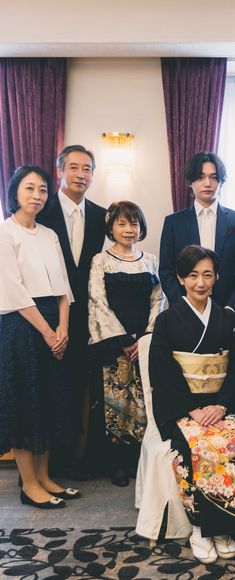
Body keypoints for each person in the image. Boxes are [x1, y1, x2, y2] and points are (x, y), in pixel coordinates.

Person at [149, 245, 235, 564]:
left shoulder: (227, 318)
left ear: (217, 278)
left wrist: (222, 406)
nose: (200, 282)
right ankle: (200, 528)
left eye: (207, 275)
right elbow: (162, 370)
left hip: (220, 406)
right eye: (193, 275)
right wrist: (192, 410)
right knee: (199, 447)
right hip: (184, 409)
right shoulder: (167, 320)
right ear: (181, 278)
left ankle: (222, 528)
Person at [0, 166, 80, 508]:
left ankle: (46, 477)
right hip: (21, 325)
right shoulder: (5, 232)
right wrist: (48, 333)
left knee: (49, 400)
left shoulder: (49, 235)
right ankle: (29, 484)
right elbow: (13, 291)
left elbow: (64, 288)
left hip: (54, 323)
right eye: (29, 188)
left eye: (43, 189)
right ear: (15, 192)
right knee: (26, 403)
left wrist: (63, 329)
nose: (37, 195)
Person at [37, 144, 107, 480]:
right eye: (74, 167)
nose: (81, 174)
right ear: (60, 171)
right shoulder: (41, 209)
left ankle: (70, 459)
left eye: (87, 169)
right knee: (47, 387)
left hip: (85, 318)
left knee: (78, 386)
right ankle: (40, 464)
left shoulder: (101, 215)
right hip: (47, 314)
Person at [88, 201, 164, 487]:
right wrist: (122, 340)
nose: (129, 229)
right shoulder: (101, 260)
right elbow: (97, 301)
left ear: (141, 227)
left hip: (144, 342)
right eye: (122, 223)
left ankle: (137, 459)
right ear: (111, 227)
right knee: (116, 402)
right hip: (114, 344)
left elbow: (159, 299)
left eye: (134, 223)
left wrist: (145, 337)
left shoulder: (150, 260)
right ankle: (116, 461)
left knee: (142, 401)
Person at [159, 152, 235, 320]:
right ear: (190, 182)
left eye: (214, 177)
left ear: (221, 182)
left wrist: (232, 308)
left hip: (228, 313)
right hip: (185, 314)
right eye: (201, 177)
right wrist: (182, 306)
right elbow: (166, 271)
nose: (208, 183)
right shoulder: (173, 222)